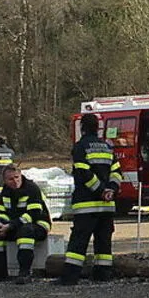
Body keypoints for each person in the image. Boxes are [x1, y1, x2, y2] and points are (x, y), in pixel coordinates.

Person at [58, 113, 123, 286]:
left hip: (86, 205)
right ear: (98, 128)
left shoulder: (81, 147)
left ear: (82, 128)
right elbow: (117, 173)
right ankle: (103, 274)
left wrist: (100, 190)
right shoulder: (107, 147)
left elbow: (83, 172)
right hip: (107, 205)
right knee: (103, 242)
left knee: (78, 243)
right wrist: (111, 190)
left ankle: (70, 278)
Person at [0, 165, 52, 285]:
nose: (15, 181)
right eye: (11, 179)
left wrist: (10, 226)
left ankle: (24, 273)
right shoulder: (5, 190)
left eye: (17, 177)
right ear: (4, 180)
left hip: (38, 224)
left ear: (21, 175)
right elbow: (2, 212)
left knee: (25, 231)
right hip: (15, 225)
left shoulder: (32, 188)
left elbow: (34, 214)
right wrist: (0, 224)